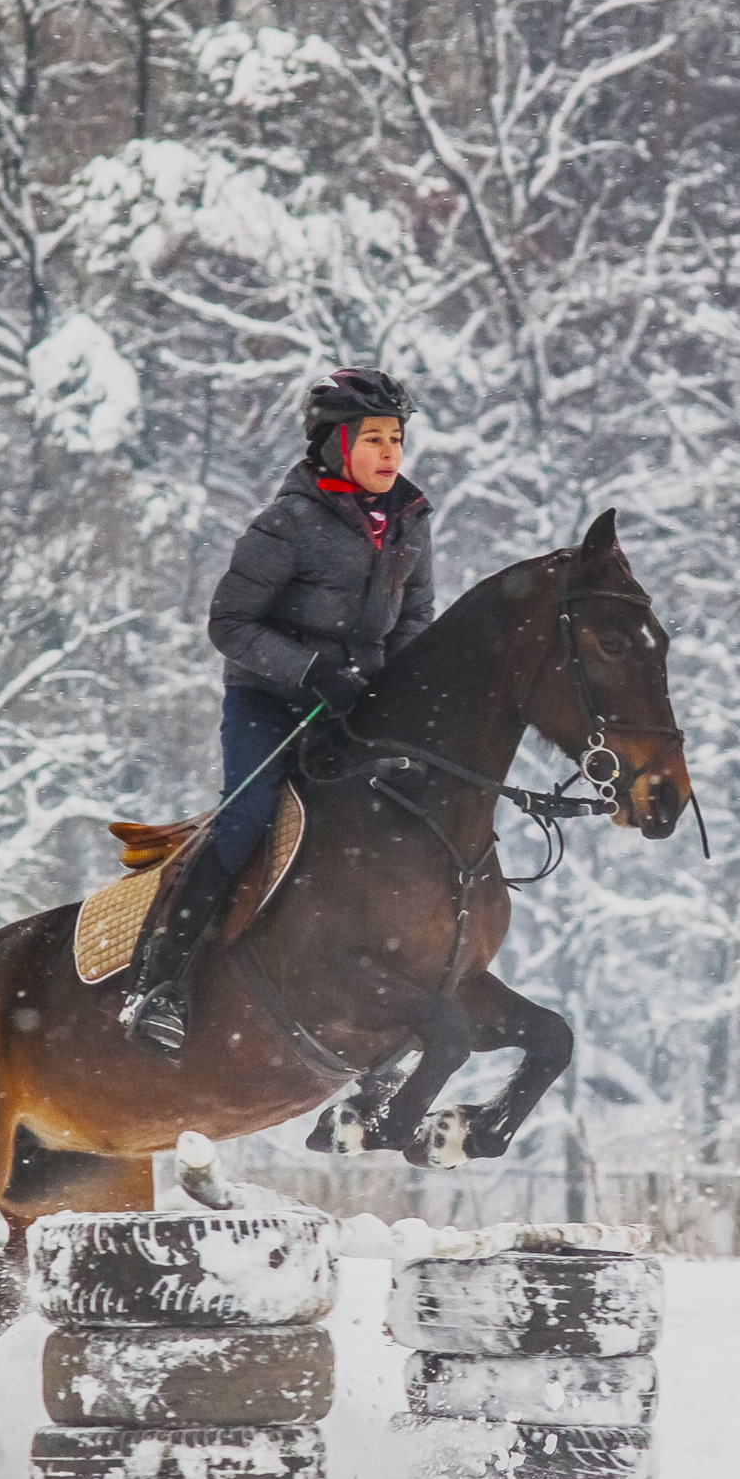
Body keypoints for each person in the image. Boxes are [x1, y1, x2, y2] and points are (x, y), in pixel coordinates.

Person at [123, 367, 434, 1057]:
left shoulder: (412, 524)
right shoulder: (287, 523)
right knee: (247, 817)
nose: (390, 453)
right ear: (334, 444)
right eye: (375, 438)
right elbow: (229, 623)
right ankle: (160, 984)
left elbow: (413, 626)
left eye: (397, 439)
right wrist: (309, 670)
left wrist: (403, 701)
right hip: (268, 699)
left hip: (357, 704)